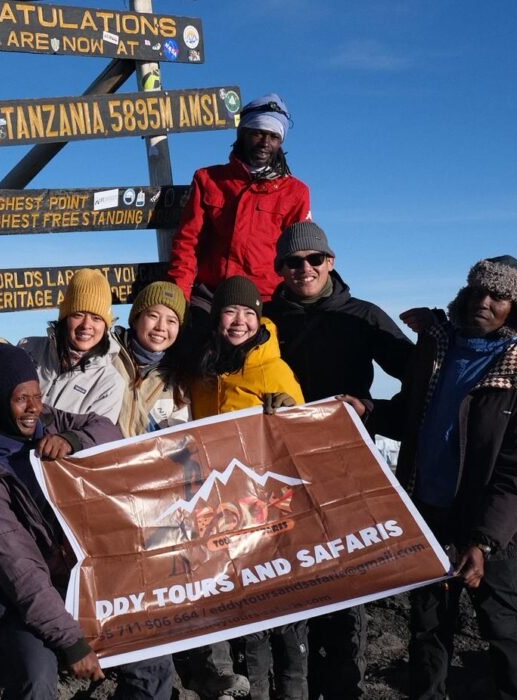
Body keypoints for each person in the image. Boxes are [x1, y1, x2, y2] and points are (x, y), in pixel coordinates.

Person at [348, 256, 517, 700]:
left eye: (499, 296)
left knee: (503, 625)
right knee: (427, 623)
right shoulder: (439, 353)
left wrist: (483, 542)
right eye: (478, 291)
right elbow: (414, 416)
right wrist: (370, 411)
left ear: (516, 308)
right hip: (428, 510)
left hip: (493, 524)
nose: (484, 301)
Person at [0, 343, 174, 699]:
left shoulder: (47, 421)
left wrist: (73, 440)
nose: (33, 407)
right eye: (20, 399)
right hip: (26, 598)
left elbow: (108, 430)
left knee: (152, 662)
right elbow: (21, 573)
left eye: (37, 395)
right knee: (36, 680)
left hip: (83, 580)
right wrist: (71, 642)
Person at [263, 221, 414, 700]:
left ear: (331, 262)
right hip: (279, 466)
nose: (303, 268)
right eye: (292, 261)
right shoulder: (265, 321)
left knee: (347, 573)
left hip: (347, 461)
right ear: (280, 269)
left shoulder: (362, 316)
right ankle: (294, 686)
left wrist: (375, 412)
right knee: (289, 574)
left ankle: (345, 684)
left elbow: (420, 374)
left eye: (314, 259)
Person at [168, 275, 307, 700]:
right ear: (216, 318)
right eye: (231, 311)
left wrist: (290, 412)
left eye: (249, 313)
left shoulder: (273, 367)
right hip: (217, 512)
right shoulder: (203, 369)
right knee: (239, 615)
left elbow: (302, 435)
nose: (240, 321)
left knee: (280, 618)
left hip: (265, 511)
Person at [167, 93, 311, 319]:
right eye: (257, 133)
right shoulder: (209, 179)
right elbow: (187, 242)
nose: (265, 143)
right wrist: (180, 298)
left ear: (280, 142)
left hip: (267, 302)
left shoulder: (295, 192)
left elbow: (302, 254)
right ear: (242, 134)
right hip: (210, 296)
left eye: (273, 136)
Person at [18, 268, 125, 423]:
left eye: (96, 318)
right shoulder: (28, 349)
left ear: (106, 326)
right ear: (65, 318)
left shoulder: (110, 383)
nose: (86, 325)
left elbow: (96, 434)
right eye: (78, 315)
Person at [111, 280, 189, 438]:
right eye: (153, 316)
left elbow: (180, 439)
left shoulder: (178, 377)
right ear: (136, 319)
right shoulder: (109, 354)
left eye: (171, 321)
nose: (161, 327)